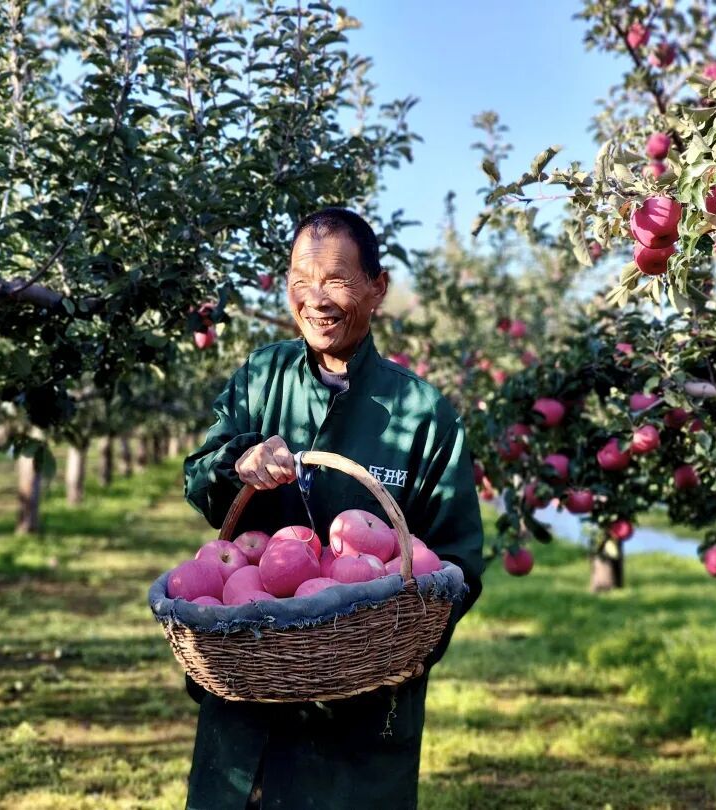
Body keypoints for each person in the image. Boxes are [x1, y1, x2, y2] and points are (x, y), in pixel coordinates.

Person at [182, 207, 485, 809]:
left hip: (360, 720)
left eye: (337, 281)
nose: (315, 299)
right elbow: (200, 476)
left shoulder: (424, 416)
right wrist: (237, 460)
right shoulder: (261, 378)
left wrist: (392, 649)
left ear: (378, 288)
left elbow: (457, 563)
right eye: (301, 281)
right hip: (248, 696)